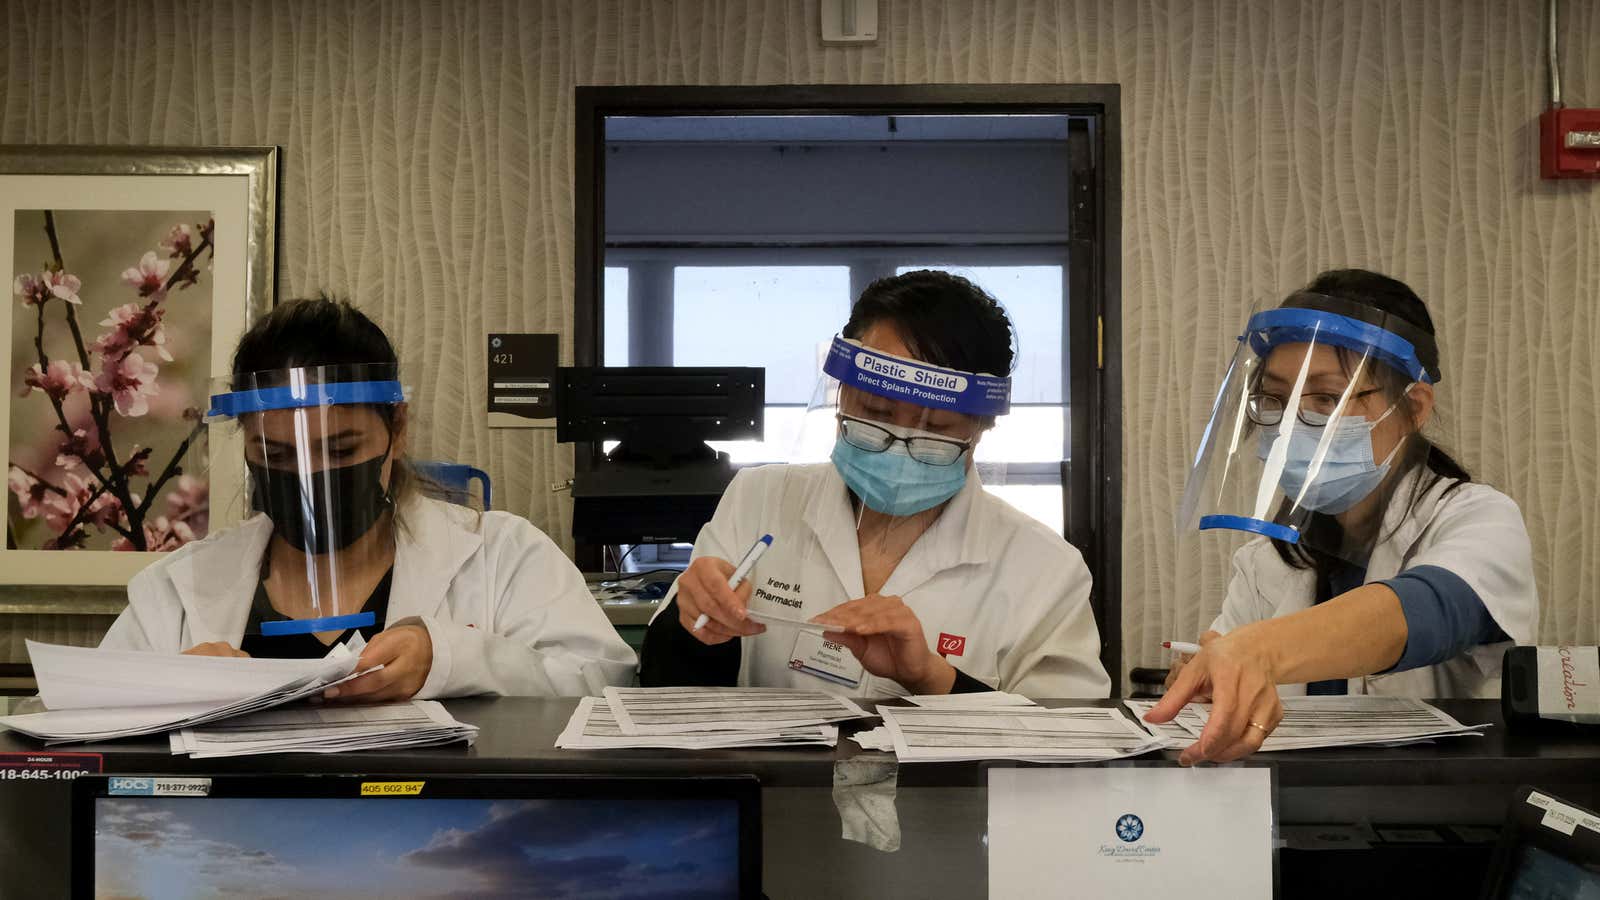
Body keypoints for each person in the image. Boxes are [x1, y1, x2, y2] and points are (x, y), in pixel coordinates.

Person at [100, 296, 636, 700]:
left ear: (396, 429)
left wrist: (458, 660)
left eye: (339, 449)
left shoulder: (503, 555)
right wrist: (172, 688)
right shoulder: (178, 588)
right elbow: (90, 709)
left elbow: (603, 683)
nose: (309, 479)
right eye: (278, 455)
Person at [638, 270, 1110, 698]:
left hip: (945, 797)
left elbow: (1066, 744)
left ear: (982, 426)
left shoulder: (1045, 569)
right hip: (780, 793)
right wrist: (694, 620)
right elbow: (664, 687)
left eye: (938, 428)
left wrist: (930, 676)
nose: (897, 444)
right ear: (840, 395)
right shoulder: (759, 500)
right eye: (876, 414)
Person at [1148, 269, 1537, 763]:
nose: (1289, 426)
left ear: (1413, 407)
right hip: (1285, 807)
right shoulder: (1268, 558)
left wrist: (1259, 652)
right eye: (1274, 399)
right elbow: (1229, 681)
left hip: (1430, 811)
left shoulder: (1476, 519)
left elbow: (1428, 609)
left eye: (1327, 399)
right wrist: (1210, 683)